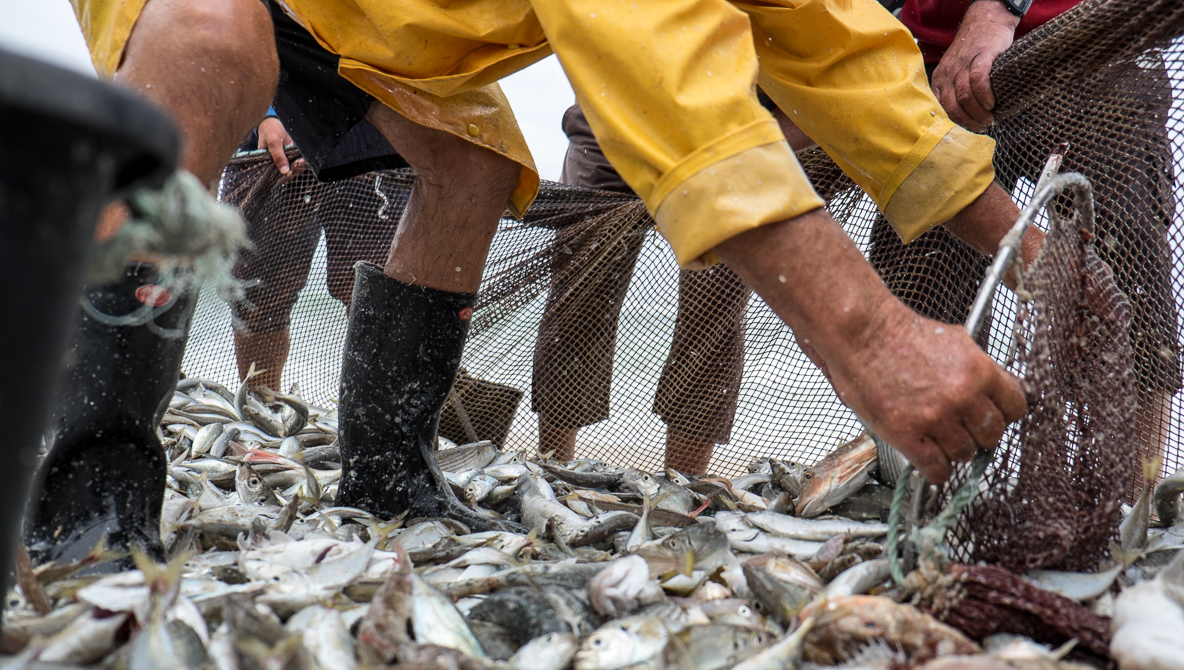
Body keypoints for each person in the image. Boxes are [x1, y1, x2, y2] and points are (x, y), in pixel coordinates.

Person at [38, 0, 1038, 563]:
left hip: (375, 18)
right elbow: (653, 49)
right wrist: (863, 332)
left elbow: (838, 47)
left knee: (473, 163)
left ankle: (388, 476)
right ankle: (92, 495)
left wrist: (1015, 236)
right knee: (207, 38)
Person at [878, 0, 1180, 480]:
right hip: (932, 60)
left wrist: (998, 9)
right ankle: (918, 479)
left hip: (1092, 33)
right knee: (921, 271)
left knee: (1126, 250)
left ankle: (1140, 487)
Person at [534, 97, 814, 474]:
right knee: (579, 290)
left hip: (742, 126)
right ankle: (552, 469)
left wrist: (754, 150)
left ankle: (682, 486)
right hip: (619, 106)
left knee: (715, 306)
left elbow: (824, 92)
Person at [225, 112, 409, 390]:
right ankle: (261, 409)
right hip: (275, 141)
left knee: (380, 289)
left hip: (375, 139)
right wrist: (268, 115)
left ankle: (383, 414)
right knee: (259, 293)